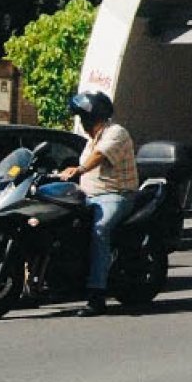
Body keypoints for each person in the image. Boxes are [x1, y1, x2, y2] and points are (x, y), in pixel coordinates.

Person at [59, 90, 138, 317]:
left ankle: (97, 295)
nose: (81, 122)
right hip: (88, 195)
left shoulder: (116, 133)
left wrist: (80, 169)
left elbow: (99, 157)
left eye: (83, 117)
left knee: (100, 229)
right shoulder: (92, 139)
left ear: (93, 116)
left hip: (116, 194)